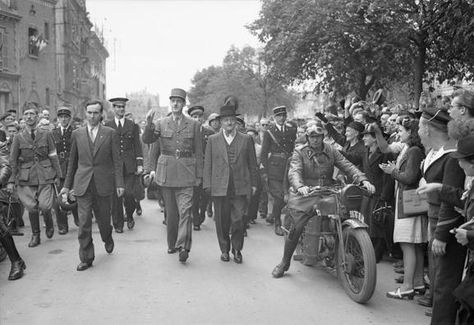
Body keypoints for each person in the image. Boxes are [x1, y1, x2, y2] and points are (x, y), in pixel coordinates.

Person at [272, 124, 374, 278]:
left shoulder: (331, 150)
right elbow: (295, 172)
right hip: (306, 193)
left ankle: (355, 257)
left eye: (318, 136)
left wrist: (363, 179)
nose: (315, 140)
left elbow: (347, 165)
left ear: (322, 137)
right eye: (312, 137)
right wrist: (300, 186)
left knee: (345, 215)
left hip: (328, 191)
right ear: (308, 138)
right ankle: (284, 263)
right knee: (297, 226)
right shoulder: (300, 152)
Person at [61, 100, 124, 271]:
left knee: (104, 220)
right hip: (83, 184)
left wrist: (119, 183)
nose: (92, 116)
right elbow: (72, 163)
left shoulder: (110, 133)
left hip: (103, 184)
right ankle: (86, 257)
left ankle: (107, 236)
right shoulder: (77, 134)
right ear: (85, 113)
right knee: (84, 222)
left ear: (101, 114)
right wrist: (67, 186)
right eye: (89, 112)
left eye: (95, 112)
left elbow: (117, 161)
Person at [142, 88, 203, 263]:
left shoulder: (194, 124)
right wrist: (148, 124)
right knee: (171, 213)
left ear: (183, 104)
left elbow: (199, 152)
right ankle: (172, 243)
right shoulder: (161, 123)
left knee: (186, 211)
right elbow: (148, 140)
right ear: (170, 103)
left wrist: (199, 175)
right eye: (173, 101)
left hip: (186, 172)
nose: (175, 104)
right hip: (167, 173)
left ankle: (184, 246)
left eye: (179, 101)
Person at [203, 104, 258, 263]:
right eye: (226, 120)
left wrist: (254, 184)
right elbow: (208, 164)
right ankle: (224, 250)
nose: (229, 123)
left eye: (231, 120)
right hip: (219, 186)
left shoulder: (246, 139)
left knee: (239, 219)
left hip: (240, 186)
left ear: (236, 121)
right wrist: (207, 184)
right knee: (221, 221)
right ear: (220, 122)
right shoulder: (213, 140)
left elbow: (252, 164)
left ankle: (237, 248)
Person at [380, 117, 427, 299]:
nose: (399, 133)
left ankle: (407, 286)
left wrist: (393, 172)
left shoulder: (414, 151)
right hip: (408, 201)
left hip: (408, 203)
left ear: (411, 132)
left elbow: (409, 177)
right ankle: (418, 283)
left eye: (402, 130)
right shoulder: (412, 149)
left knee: (408, 245)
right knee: (415, 246)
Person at [7, 104, 61, 247]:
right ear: (23, 118)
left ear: (37, 117)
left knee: (45, 205)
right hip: (26, 177)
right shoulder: (18, 137)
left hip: (45, 174)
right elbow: (12, 161)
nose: (29, 116)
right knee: (31, 207)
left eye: (32, 114)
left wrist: (58, 175)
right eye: (26, 114)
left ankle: (49, 223)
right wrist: (12, 180)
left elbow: (53, 155)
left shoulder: (46, 134)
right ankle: (36, 235)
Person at [105, 97, 144, 233]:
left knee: (128, 194)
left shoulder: (132, 125)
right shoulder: (107, 125)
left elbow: (137, 146)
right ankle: (118, 224)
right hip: (113, 167)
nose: (121, 109)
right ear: (113, 109)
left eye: (123, 107)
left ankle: (130, 214)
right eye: (118, 107)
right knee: (116, 197)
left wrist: (139, 164)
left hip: (129, 166)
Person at [260, 106, 297, 236]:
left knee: (288, 196)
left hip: (288, 167)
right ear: (274, 117)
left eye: (284, 116)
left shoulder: (292, 130)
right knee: (279, 197)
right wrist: (264, 170)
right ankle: (277, 223)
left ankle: (273, 214)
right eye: (279, 116)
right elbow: (264, 152)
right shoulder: (269, 131)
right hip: (274, 168)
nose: (282, 118)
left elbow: (293, 149)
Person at [51, 106, 79, 234]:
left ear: (70, 119)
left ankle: (78, 217)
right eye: (61, 117)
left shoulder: (76, 132)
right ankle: (62, 225)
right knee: (60, 197)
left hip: (75, 167)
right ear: (58, 119)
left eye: (66, 117)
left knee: (75, 194)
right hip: (59, 168)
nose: (63, 119)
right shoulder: (53, 133)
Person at [188, 105, 214, 231]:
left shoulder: (209, 133)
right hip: (191, 168)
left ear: (203, 119)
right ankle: (195, 218)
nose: (197, 119)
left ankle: (202, 211)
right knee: (194, 194)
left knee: (205, 194)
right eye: (194, 117)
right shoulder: (188, 133)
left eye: (199, 116)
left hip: (206, 168)